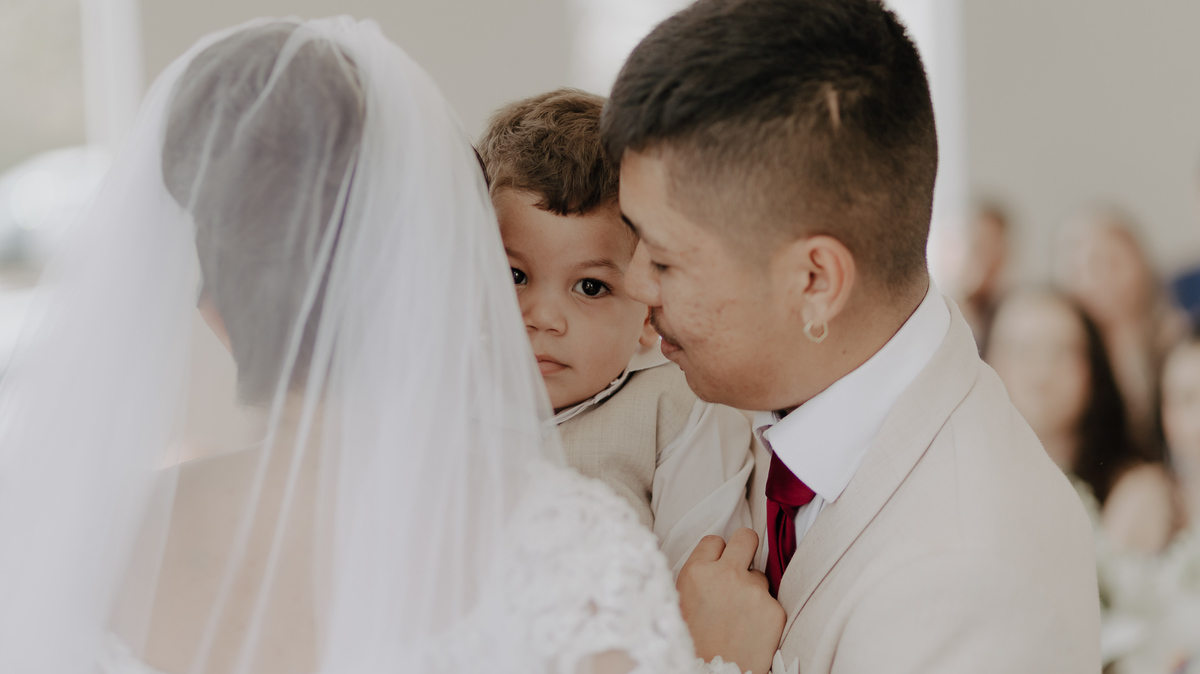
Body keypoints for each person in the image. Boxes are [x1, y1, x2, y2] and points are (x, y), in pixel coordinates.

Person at [0, 18, 745, 674]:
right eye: (511, 275)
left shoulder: (75, 549)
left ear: (213, 309)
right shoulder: (570, 552)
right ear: (459, 286)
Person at [600, 0, 1101, 672]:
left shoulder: (974, 577)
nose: (635, 284)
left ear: (815, 281)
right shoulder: (730, 393)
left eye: (664, 261)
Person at [477, 89, 753, 575]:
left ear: (647, 314)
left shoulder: (681, 410)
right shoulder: (435, 400)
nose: (543, 317)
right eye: (513, 275)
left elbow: (704, 573)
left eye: (590, 286)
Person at [987, 289, 1176, 553]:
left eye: (1060, 352)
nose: (1041, 370)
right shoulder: (962, 480)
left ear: (1092, 369)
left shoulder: (1135, 491)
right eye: (1021, 350)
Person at [1055, 208, 1188, 453]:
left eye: (1112, 263)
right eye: (1087, 268)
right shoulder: (1065, 357)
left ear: (1141, 265)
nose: (1101, 279)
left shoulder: (1176, 343)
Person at [955, 201, 1011, 353]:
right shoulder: (950, 311)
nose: (984, 258)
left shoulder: (1014, 313)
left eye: (990, 246)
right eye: (976, 247)